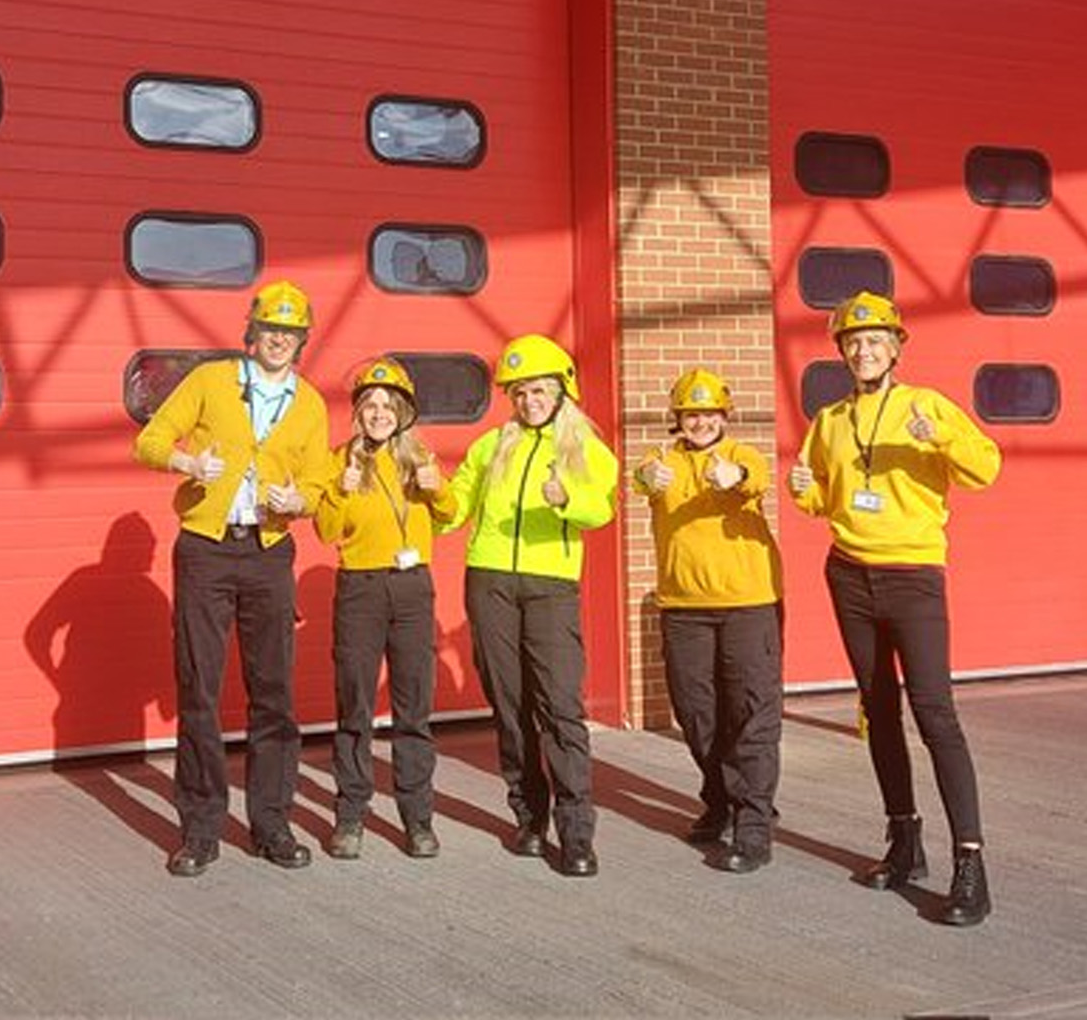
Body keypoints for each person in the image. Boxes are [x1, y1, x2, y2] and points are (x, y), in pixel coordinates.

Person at [787, 290, 1001, 926]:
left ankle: (970, 863)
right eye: (853, 343)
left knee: (934, 712)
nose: (863, 350)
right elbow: (826, 499)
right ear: (842, 353)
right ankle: (903, 842)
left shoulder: (925, 406)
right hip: (850, 574)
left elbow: (984, 468)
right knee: (878, 708)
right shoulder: (829, 421)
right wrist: (807, 492)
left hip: (912, 575)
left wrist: (941, 441)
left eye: (876, 340)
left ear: (896, 347)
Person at [133, 279, 331, 877]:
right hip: (206, 550)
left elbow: (320, 483)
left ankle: (272, 823)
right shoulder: (211, 381)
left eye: (291, 332)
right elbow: (150, 440)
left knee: (273, 691)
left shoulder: (311, 403)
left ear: (302, 341)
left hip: (269, 551)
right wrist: (186, 461)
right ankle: (199, 829)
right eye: (272, 328)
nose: (280, 340)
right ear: (253, 332)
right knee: (199, 689)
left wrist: (299, 499)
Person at [447, 333, 618, 877]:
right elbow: (454, 508)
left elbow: (602, 510)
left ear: (562, 390)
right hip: (490, 581)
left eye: (539, 390)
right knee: (510, 705)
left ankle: (576, 833)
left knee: (560, 709)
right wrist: (424, 492)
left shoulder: (585, 447)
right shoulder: (490, 445)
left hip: (550, 586)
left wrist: (570, 499)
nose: (529, 401)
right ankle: (528, 817)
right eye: (520, 393)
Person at [631, 368, 784, 873]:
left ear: (724, 416)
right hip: (683, 608)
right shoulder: (662, 461)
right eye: (691, 414)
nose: (700, 421)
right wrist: (647, 479)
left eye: (709, 413)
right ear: (678, 418)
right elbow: (641, 479)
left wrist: (732, 478)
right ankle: (720, 798)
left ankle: (754, 824)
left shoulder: (741, 456)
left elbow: (756, 478)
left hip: (748, 603)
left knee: (751, 715)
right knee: (696, 715)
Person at [312, 356, 459, 859]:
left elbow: (451, 515)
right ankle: (350, 816)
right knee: (353, 705)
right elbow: (326, 531)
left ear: (404, 412)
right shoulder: (341, 461)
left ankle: (418, 819)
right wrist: (339, 490)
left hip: (413, 587)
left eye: (387, 405)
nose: (378, 413)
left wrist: (439, 491)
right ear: (358, 413)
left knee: (413, 708)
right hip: (361, 588)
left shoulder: (420, 457)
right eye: (369, 405)